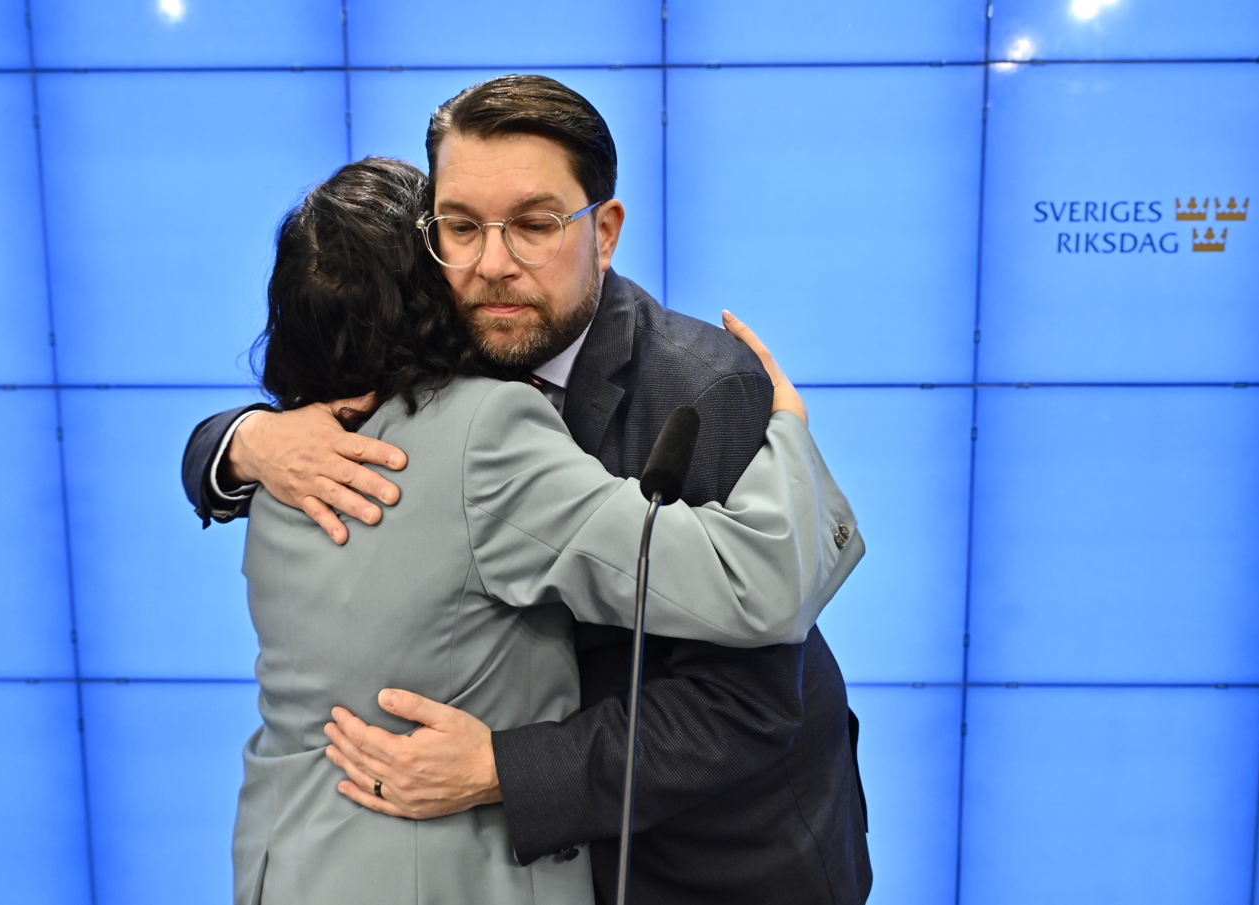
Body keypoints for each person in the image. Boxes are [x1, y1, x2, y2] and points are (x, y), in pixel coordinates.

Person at [184, 76, 871, 904]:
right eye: (461, 226)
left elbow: (749, 702)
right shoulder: (452, 341)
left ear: (604, 231)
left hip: (709, 860)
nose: (493, 263)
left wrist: (503, 770)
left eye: (536, 226)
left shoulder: (702, 387)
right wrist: (244, 440)